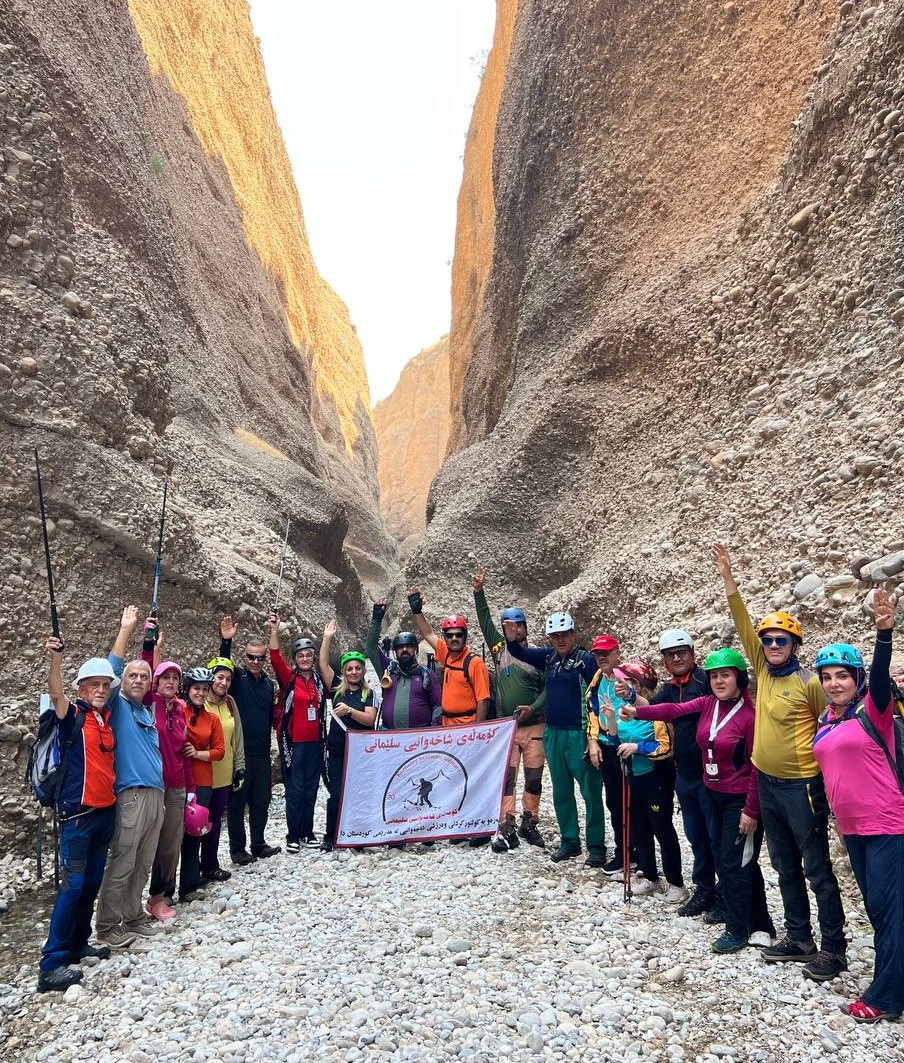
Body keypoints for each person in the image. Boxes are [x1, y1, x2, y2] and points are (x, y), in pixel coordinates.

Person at [713, 543, 845, 981]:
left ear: (794, 645)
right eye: (767, 639)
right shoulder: (763, 670)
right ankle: (799, 937)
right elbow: (741, 623)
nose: (770, 644)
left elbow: (834, 724)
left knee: (816, 868)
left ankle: (834, 947)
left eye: (780, 640)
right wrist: (729, 579)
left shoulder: (809, 683)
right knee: (784, 865)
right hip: (766, 783)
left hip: (802, 787)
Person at [625, 648, 775, 949]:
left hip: (738, 800)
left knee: (734, 863)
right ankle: (762, 923)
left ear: (738, 679)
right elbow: (672, 711)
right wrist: (637, 711)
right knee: (737, 860)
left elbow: (757, 765)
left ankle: (737, 928)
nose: (720, 681)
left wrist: (751, 809)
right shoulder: (708, 704)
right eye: (715, 676)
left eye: (726, 675)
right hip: (713, 794)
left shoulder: (749, 717)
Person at [811, 589, 903, 1022]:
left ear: (858, 678)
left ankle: (886, 998)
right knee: (880, 910)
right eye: (827, 676)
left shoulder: (875, 710)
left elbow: (882, 678)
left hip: (888, 823)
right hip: (852, 828)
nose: (834, 683)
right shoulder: (828, 719)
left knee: (889, 911)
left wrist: (883, 633)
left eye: (842, 675)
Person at [38, 638, 117, 993]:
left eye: (104, 685)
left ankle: (77, 943)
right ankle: (51, 963)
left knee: (89, 884)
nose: (101, 689)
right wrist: (56, 660)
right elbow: (55, 695)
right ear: (81, 689)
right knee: (71, 888)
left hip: (104, 813)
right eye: (94, 685)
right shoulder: (74, 717)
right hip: (77, 817)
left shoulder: (104, 718)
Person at [628, 629, 721, 921]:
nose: (677, 658)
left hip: (712, 772)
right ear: (665, 662)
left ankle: (727, 895)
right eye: (670, 655)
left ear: (693, 654)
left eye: (682, 653)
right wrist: (631, 696)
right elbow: (656, 708)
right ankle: (705, 891)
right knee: (696, 836)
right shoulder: (670, 688)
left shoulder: (707, 680)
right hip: (686, 774)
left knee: (717, 836)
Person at [506, 612, 606, 866]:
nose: (560, 640)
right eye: (555, 636)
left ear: (573, 634)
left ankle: (596, 845)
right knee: (561, 790)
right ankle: (569, 842)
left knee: (590, 790)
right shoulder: (549, 658)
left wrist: (594, 735)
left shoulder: (585, 661)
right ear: (550, 638)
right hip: (553, 732)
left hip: (579, 733)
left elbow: (599, 694)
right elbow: (521, 654)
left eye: (564, 635)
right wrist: (511, 640)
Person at [95, 609, 165, 949]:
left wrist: (153, 645)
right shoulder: (119, 706)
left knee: (142, 861)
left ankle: (133, 917)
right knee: (123, 860)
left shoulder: (145, 711)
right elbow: (109, 672)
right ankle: (107, 927)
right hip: (132, 796)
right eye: (132, 676)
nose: (137, 680)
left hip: (155, 796)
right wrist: (126, 630)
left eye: (143, 677)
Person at [592, 665, 687, 902]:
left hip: (655, 778)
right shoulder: (626, 711)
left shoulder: (654, 712)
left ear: (639, 685)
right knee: (639, 828)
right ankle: (650, 876)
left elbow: (666, 747)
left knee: (662, 829)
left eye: (628, 682)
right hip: (631, 777)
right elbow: (616, 741)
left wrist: (638, 748)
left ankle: (676, 883)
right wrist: (611, 718)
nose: (621, 686)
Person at [471, 567, 546, 851]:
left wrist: (535, 707)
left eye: (516, 626)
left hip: (535, 725)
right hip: (508, 728)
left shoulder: (538, 655)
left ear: (524, 627)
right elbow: (484, 623)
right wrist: (479, 593)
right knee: (509, 779)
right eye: (506, 627)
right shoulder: (499, 650)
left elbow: (548, 689)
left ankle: (531, 821)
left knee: (535, 778)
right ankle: (507, 822)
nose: (510, 630)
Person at [218, 616, 281, 863]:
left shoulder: (268, 685)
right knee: (238, 802)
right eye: (251, 657)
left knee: (261, 800)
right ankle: (236, 849)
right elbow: (222, 668)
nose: (255, 661)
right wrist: (226, 641)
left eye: (259, 657)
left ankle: (258, 843)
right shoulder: (237, 680)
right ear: (244, 658)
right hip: (239, 753)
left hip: (263, 752)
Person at [318, 622, 378, 851]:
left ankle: (358, 833)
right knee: (335, 794)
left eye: (357, 668)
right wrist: (327, 637)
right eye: (349, 669)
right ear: (343, 671)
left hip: (361, 754)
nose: (353, 672)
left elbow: (370, 719)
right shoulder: (336, 689)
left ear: (363, 670)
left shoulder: (369, 693)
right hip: (337, 750)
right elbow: (323, 664)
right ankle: (330, 836)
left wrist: (350, 711)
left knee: (359, 794)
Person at [269, 613, 326, 852]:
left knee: (311, 788)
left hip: (315, 743)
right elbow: (274, 657)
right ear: (295, 659)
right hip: (293, 743)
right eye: (300, 656)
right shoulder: (289, 678)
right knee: (295, 789)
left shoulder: (318, 680)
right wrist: (274, 629)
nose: (305, 658)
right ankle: (292, 835)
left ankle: (307, 832)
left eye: (308, 655)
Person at [145, 659, 194, 921]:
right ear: (156, 680)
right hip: (152, 784)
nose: (170, 682)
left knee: (170, 844)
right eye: (166, 677)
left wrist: (191, 788)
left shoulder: (181, 708)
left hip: (176, 785)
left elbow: (184, 751)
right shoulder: (150, 702)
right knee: (146, 844)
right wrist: (150, 640)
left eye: (175, 678)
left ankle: (158, 897)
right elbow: (144, 665)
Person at [408, 589, 491, 727]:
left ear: (465, 636)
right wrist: (417, 611)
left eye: (459, 635)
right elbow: (428, 634)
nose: (454, 638)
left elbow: (483, 700)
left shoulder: (474, 663)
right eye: (450, 635)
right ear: (445, 638)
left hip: (466, 726)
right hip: (447, 725)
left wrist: (477, 731)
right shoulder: (446, 654)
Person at [178, 667, 225, 900]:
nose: (201, 693)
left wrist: (197, 753)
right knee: (174, 834)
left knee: (195, 831)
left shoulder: (212, 719)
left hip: (203, 780)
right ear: (187, 689)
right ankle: (165, 889)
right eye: (197, 688)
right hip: (179, 779)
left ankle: (188, 883)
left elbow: (219, 751)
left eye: (205, 689)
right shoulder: (177, 711)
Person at [585, 635, 630, 874]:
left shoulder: (626, 679)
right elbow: (592, 709)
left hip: (626, 746)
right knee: (614, 801)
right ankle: (624, 852)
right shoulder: (598, 678)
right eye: (597, 653)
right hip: (606, 744)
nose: (601, 657)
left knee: (630, 802)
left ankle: (635, 853)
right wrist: (593, 741)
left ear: (616, 652)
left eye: (606, 652)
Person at [364, 601, 442, 729]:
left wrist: (434, 730)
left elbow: (438, 705)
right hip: (390, 738)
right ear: (395, 651)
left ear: (415, 650)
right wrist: (376, 619)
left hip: (420, 738)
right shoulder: (387, 670)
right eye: (400, 647)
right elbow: (371, 648)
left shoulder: (427, 675)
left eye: (409, 647)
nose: (404, 650)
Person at [202, 657, 246, 881]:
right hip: (203, 774)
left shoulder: (229, 703)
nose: (224, 683)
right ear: (211, 678)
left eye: (228, 679)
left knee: (216, 820)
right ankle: (191, 872)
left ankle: (210, 865)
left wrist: (240, 766)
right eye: (220, 677)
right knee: (197, 823)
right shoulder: (199, 702)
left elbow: (236, 737)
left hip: (224, 773)